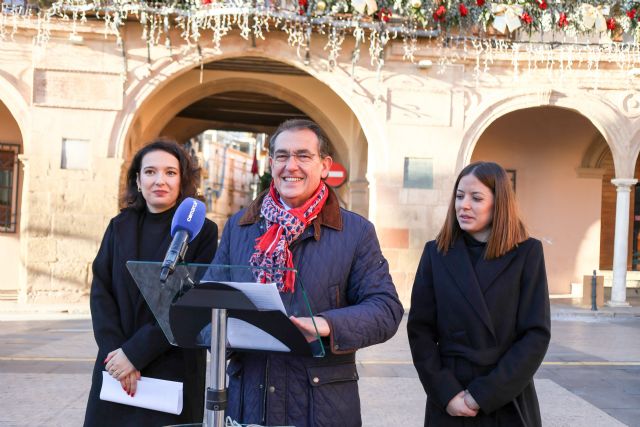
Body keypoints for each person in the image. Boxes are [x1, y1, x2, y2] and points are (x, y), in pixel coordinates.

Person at [212, 119, 404, 427]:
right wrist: (223, 331)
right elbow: (211, 301)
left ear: (325, 165)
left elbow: (386, 309)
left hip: (321, 407)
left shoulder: (355, 232)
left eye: (303, 155)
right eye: (282, 156)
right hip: (248, 403)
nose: (291, 166)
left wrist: (326, 324)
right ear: (271, 162)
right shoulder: (240, 226)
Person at [84, 139, 218, 426]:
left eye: (170, 172)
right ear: (138, 179)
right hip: (116, 367)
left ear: (183, 179)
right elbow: (101, 293)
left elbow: (192, 302)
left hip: (171, 365)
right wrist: (116, 354)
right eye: (150, 172)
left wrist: (135, 353)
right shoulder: (119, 226)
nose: (160, 180)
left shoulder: (202, 232)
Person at [407, 161, 551, 427]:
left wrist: (482, 395)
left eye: (476, 198)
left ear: (499, 203)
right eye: (459, 196)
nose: (464, 205)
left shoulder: (527, 253)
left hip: (505, 395)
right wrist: (446, 393)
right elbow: (420, 331)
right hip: (450, 396)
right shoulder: (435, 253)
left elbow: (535, 334)